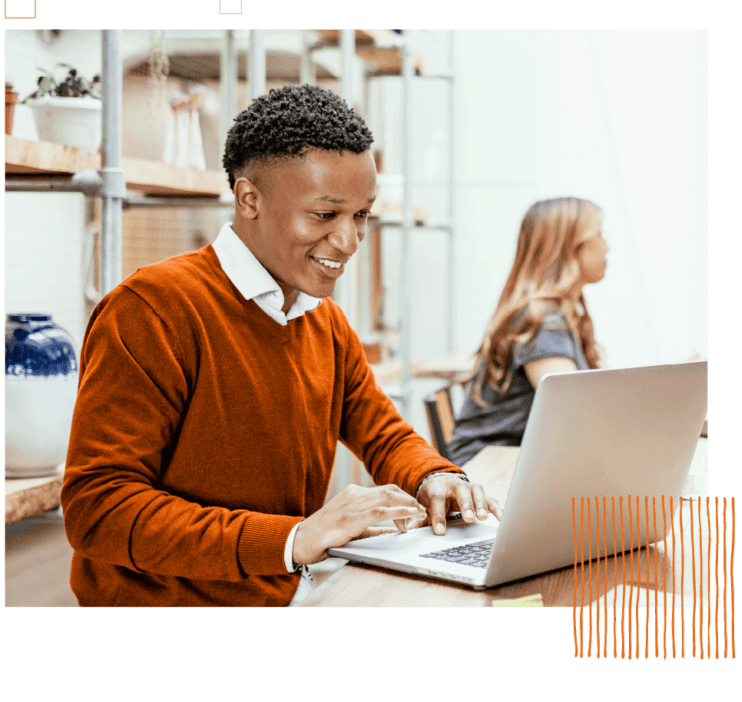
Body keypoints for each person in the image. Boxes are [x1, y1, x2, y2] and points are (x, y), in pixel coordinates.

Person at [61, 84, 501, 607]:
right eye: (324, 215)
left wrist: (434, 475)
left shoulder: (325, 323)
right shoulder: (152, 310)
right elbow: (99, 510)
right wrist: (296, 538)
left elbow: (382, 432)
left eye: (361, 214)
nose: (349, 240)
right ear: (249, 198)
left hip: (285, 595)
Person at [446, 197, 608, 467]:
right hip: (490, 466)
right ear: (568, 247)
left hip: (511, 458)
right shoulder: (541, 319)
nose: (607, 246)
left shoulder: (556, 314)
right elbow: (576, 410)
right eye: (599, 236)